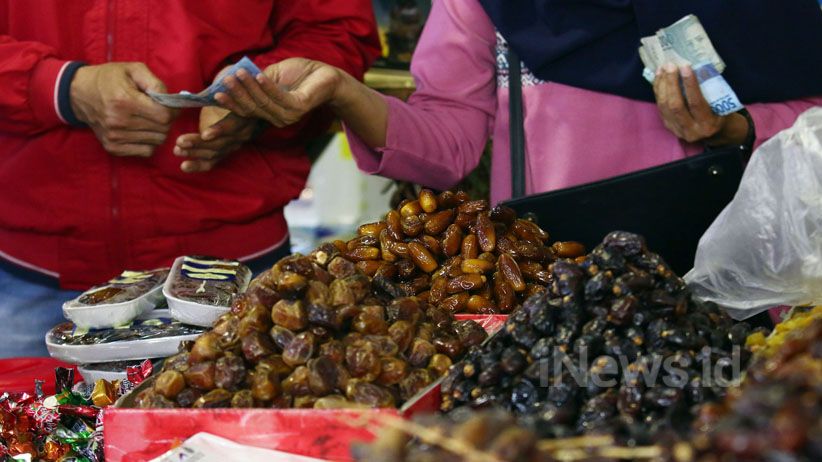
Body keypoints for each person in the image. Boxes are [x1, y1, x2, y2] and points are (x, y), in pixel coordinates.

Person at [0, 1, 380, 357]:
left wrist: (255, 94)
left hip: (232, 269)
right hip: (29, 272)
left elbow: (335, 29)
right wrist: (60, 87)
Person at [216, 0, 822, 207]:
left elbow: (811, 118)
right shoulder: (489, 4)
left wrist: (734, 129)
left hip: (721, 281)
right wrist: (344, 92)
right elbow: (448, 145)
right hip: (550, 284)